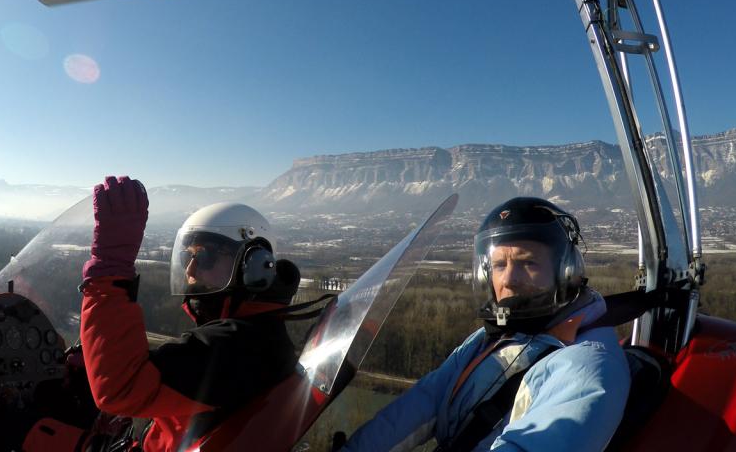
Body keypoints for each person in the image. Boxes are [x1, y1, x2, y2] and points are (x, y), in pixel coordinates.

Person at [343, 197, 630, 451]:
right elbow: (419, 406)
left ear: (566, 273)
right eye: (499, 266)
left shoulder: (586, 364)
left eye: (528, 263)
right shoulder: (489, 340)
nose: (508, 280)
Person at [78, 176, 300, 451]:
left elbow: (120, 388)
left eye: (205, 256)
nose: (190, 271)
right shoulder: (256, 332)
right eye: (188, 257)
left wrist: (108, 272)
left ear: (253, 265)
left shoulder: (242, 348)